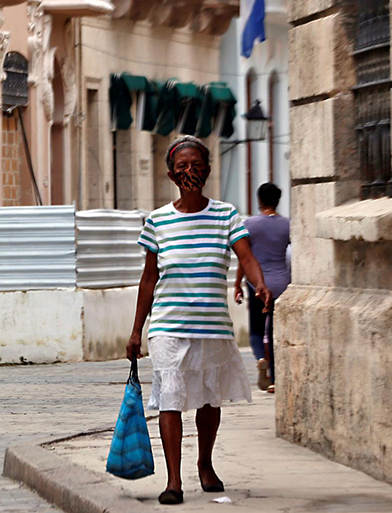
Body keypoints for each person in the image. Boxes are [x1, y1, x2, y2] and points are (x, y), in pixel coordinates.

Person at [127, 136, 271, 505]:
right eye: (182, 166)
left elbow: (246, 256)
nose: (190, 171)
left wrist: (259, 284)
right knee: (170, 398)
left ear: (207, 170)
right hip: (168, 326)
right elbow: (148, 278)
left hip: (211, 326)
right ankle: (174, 480)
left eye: (197, 165)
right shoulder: (157, 221)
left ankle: (205, 464)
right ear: (171, 174)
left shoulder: (226, 215)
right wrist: (136, 330)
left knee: (208, 400)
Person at [234, 183, 290, 393]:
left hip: (257, 283)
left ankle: (260, 358)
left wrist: (237, 283)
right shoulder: (287, 225)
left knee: (257, 330)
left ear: (259, 200)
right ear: (278, 200)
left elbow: (244, 258)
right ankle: (275, 379)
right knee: (275, 332)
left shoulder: (249, 224)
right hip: (282, 284)